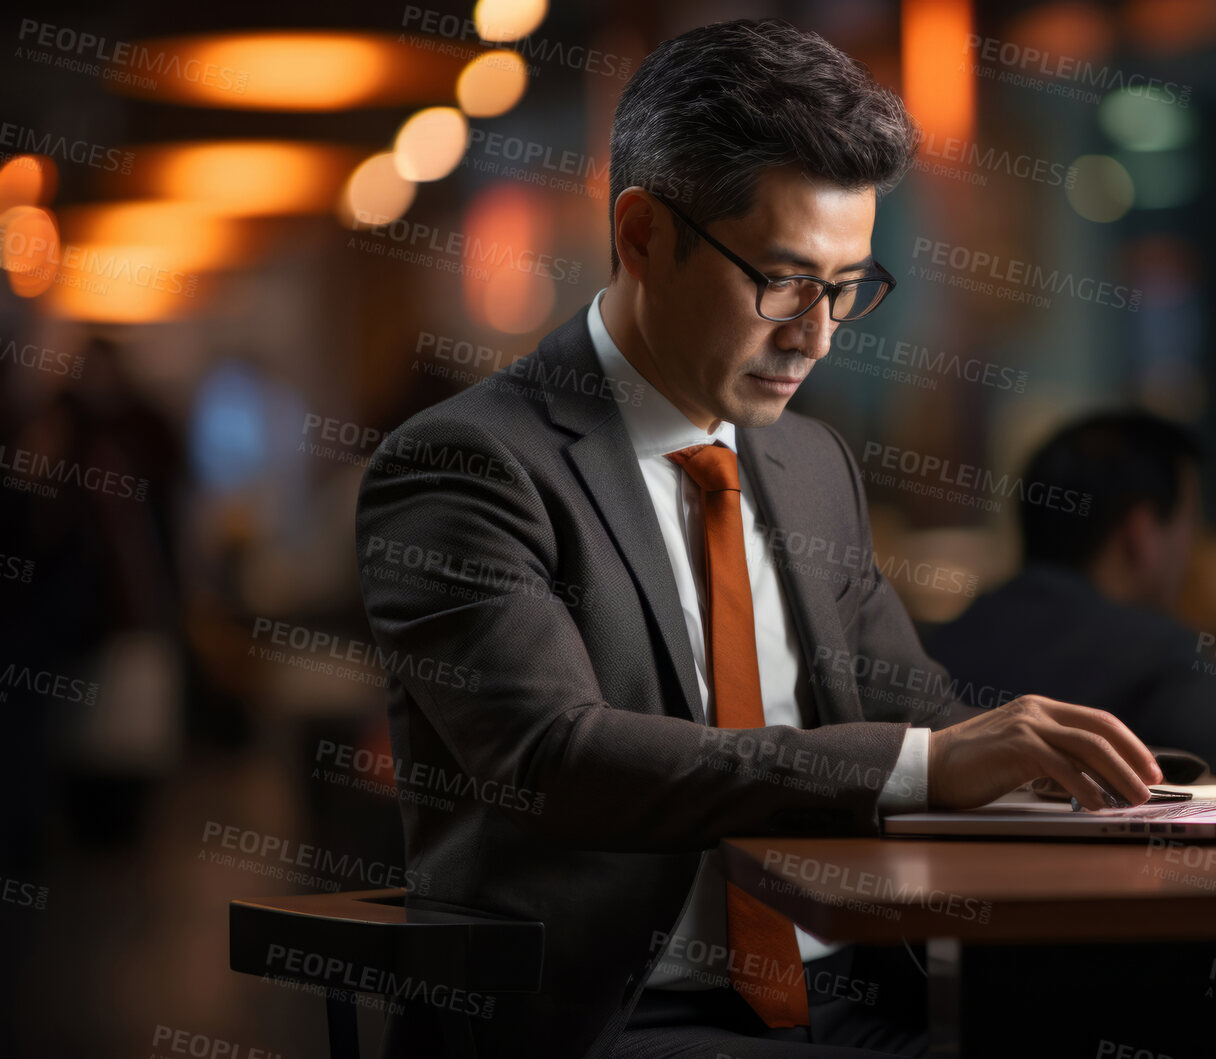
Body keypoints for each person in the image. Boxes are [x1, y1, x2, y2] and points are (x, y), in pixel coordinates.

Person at [353, 19, 1161, 1059]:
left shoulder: (810, 468)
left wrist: (1127, 783)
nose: (816, 334)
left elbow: (916, 720)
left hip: (862, 1002)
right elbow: (554, 759)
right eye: (781, 281)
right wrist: (922, 764)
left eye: (845, 287)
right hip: (614, 1020)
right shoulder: (467, 463)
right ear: (642, 236)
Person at [926, 412, 1216, 780]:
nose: (1192, 551)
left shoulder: (938, 646)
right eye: (1190, 526)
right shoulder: (1152, 652)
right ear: (1141, 535)